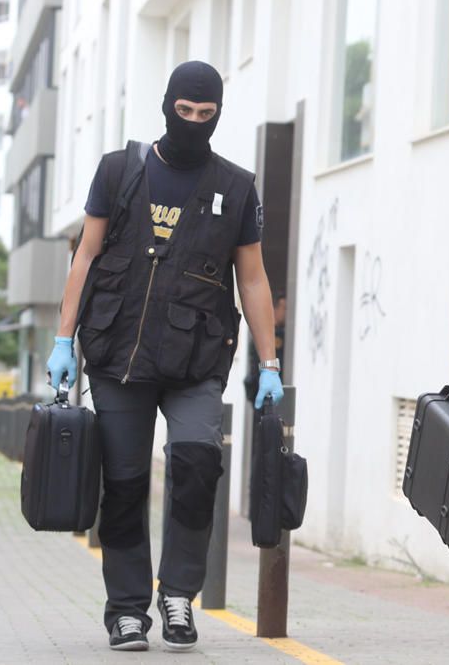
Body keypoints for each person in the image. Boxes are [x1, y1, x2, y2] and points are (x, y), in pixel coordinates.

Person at [46, 61, 284, 653]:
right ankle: (127, 611)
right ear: (167, 105)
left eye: (207, 116)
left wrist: (271, 363)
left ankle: (177, 594)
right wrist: (62, 339)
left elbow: (253, 281)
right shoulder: (120, 170)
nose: (195, 124)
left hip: (197, 360)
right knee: (124, 486)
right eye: (186, 113)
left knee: (197, 472)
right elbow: (86, 256)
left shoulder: (236, 187)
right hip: (117, 358)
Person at [245, 292, 286, 404]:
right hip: (259, 386)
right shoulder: (265, 335)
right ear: (275, 309)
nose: (286, 313)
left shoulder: (283, 334)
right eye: (284, 308)